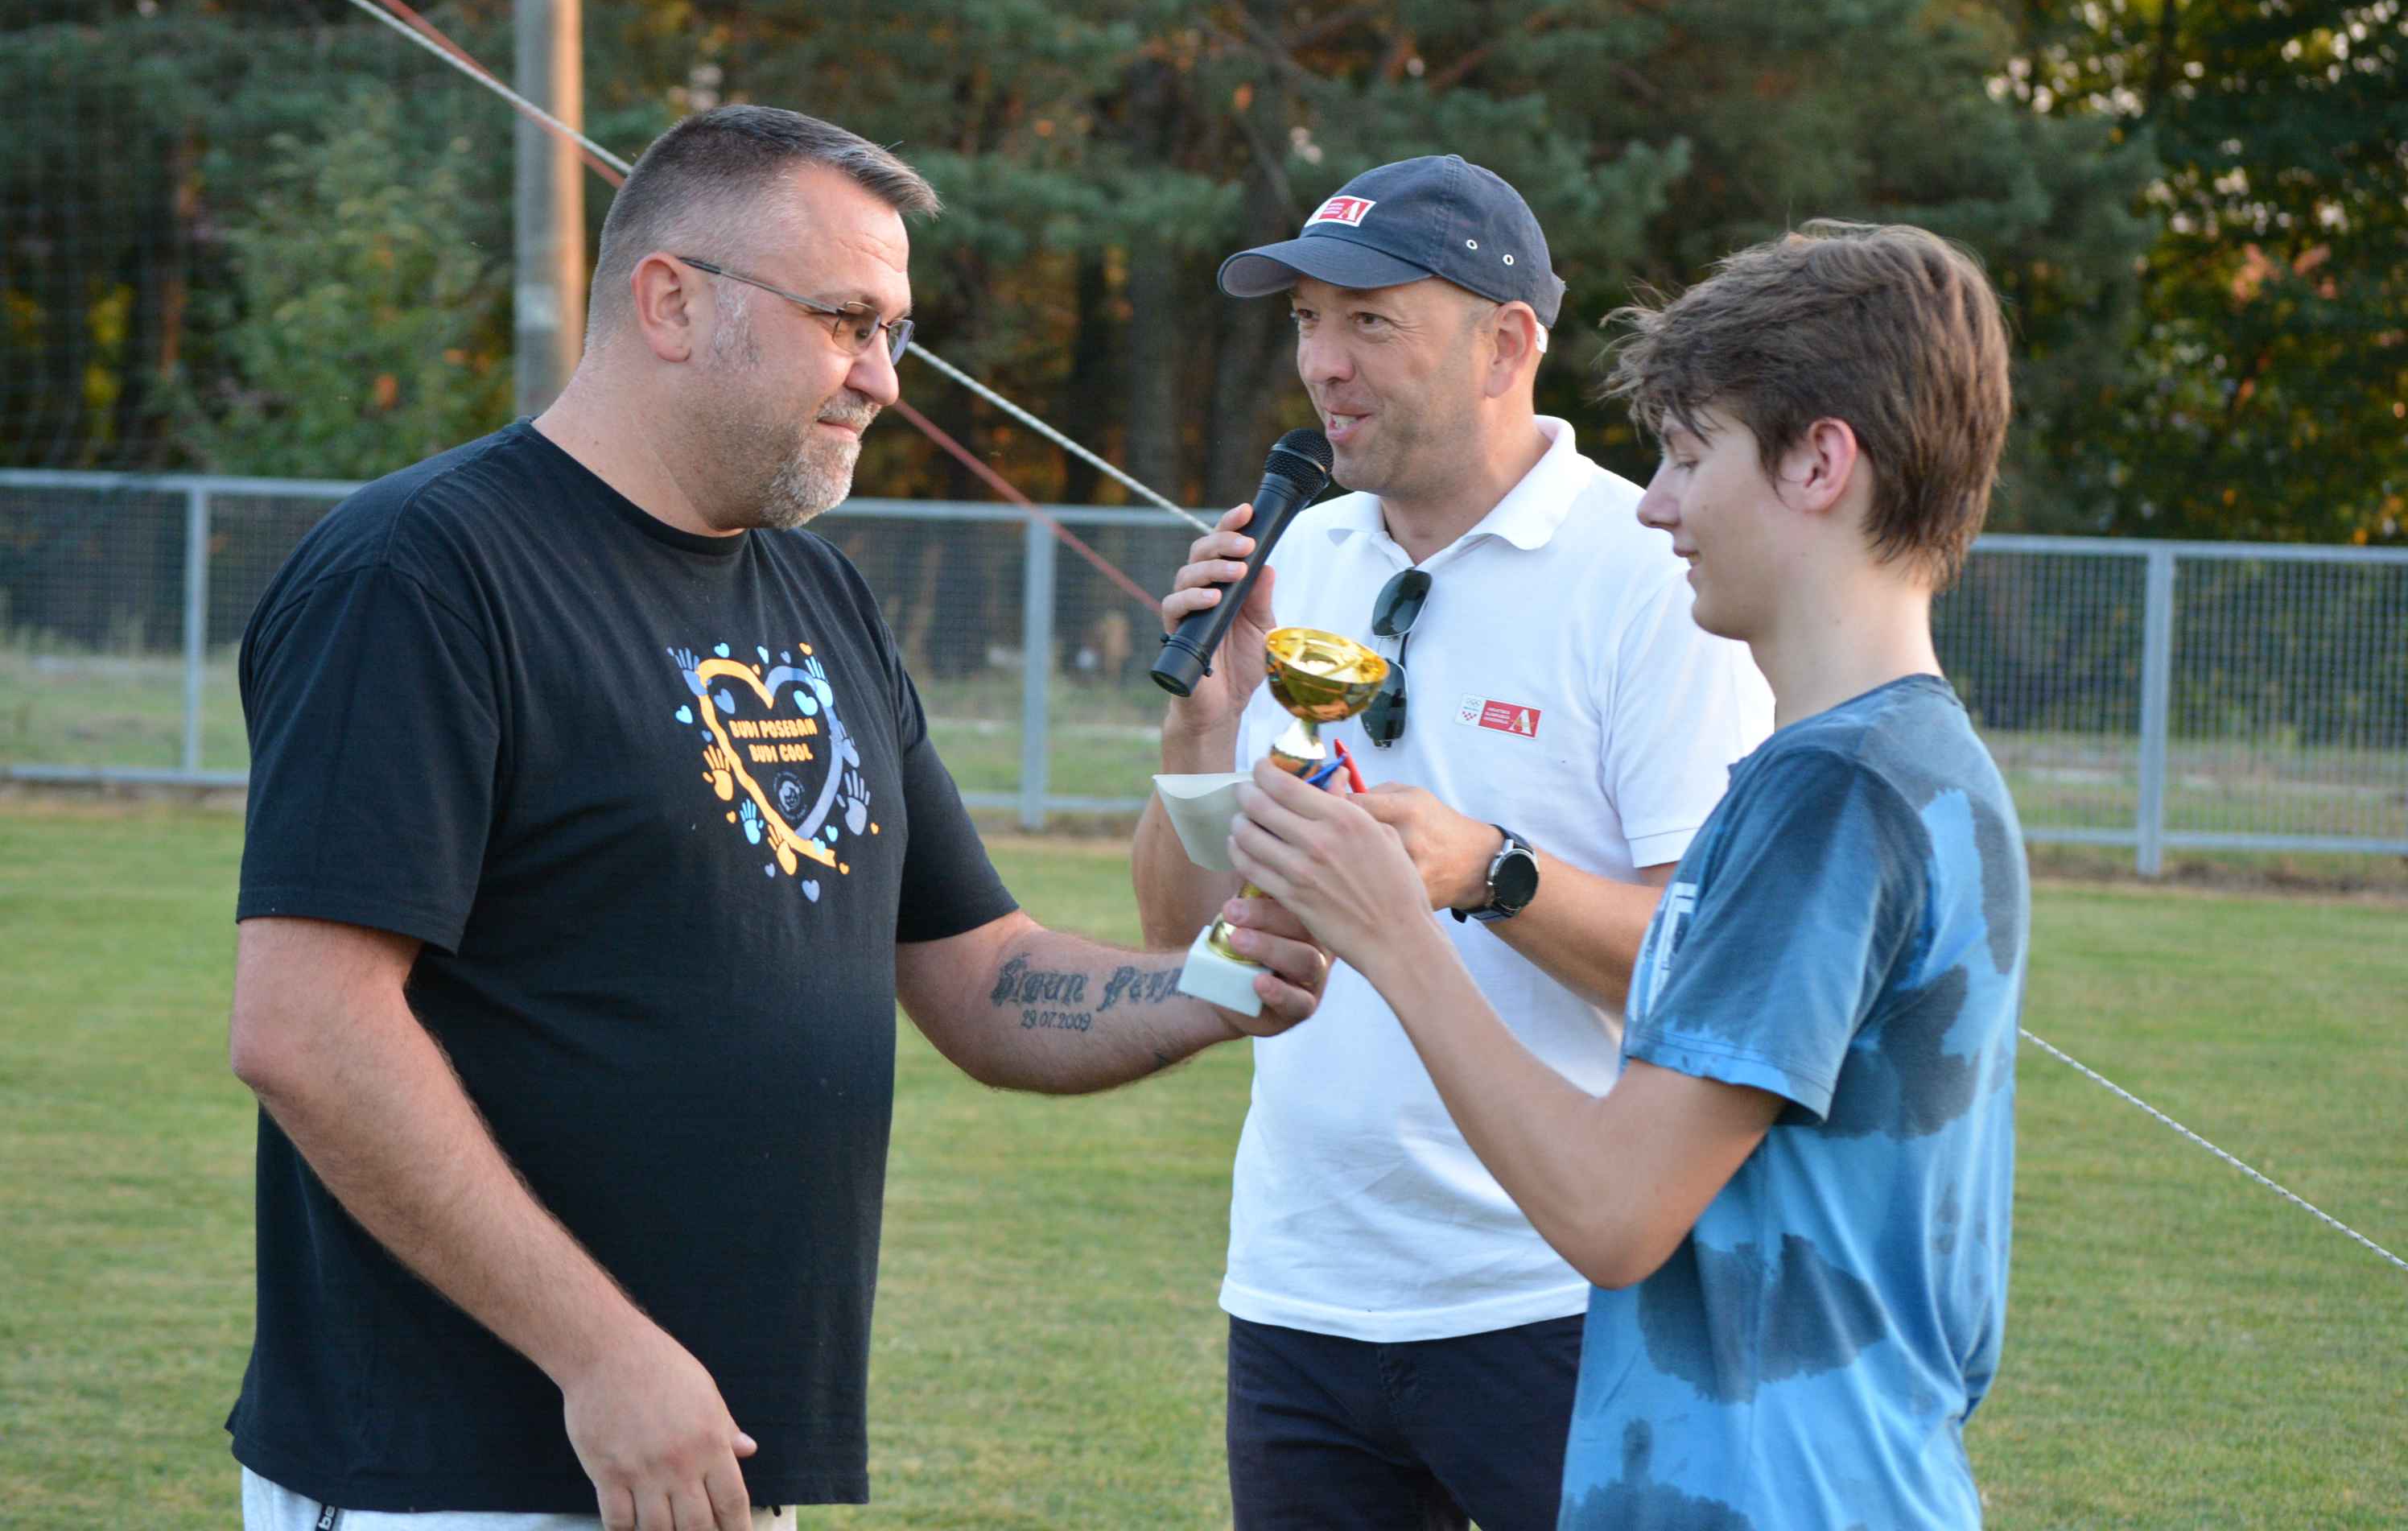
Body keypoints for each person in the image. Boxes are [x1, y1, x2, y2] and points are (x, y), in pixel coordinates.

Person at [225, 105, 1329, 1531]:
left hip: (720, 1460)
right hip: (463, 1467)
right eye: (845, 321)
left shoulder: (822, 602)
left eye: (897, 333)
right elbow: (310, 1027)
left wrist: (1224, 979)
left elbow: (982, 973)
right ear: (672, 300)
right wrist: (603, 1354)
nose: (881, 379)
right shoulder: (422, 574)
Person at [1224, 221, 2031, 1529]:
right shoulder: (1871, 765)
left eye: (1690, 456)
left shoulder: (1838, 792)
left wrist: (1402, 933)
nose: (1654, 505)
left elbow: (1612, 1212)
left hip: (1782, 1490)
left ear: (1822, 463)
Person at [1130, 155, 1771, 1530]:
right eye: (1305, 320)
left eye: (1370, 322)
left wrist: (1488, 873)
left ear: (1508, 343)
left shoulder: (1654, 572)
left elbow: (1708, 968)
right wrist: (1205, 726)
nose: (1322, 365)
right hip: (1300, 1291)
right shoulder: (1300, 552)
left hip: (1553, 1296)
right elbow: (1180, 937)